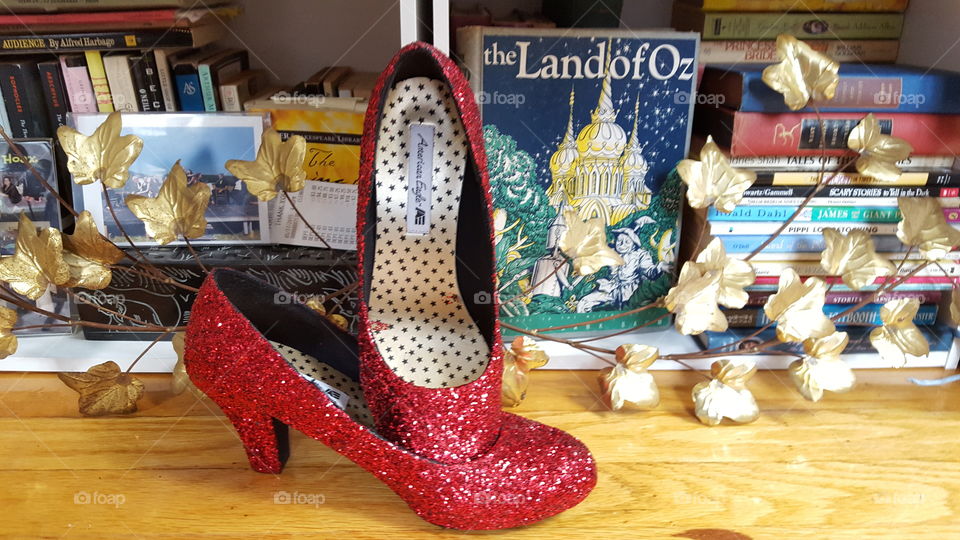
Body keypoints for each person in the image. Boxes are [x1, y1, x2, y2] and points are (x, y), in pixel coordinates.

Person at [576, 225, 658, 313]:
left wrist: (660, 268)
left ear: (633, 245)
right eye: (619, 241)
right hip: (610, 287)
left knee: (628, 311)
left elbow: (649, 271)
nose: (622, 245)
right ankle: (588, 324)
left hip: (630, 290)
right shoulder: (611, 252)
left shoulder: (640, 255)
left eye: (627, 242)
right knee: (584, 303)